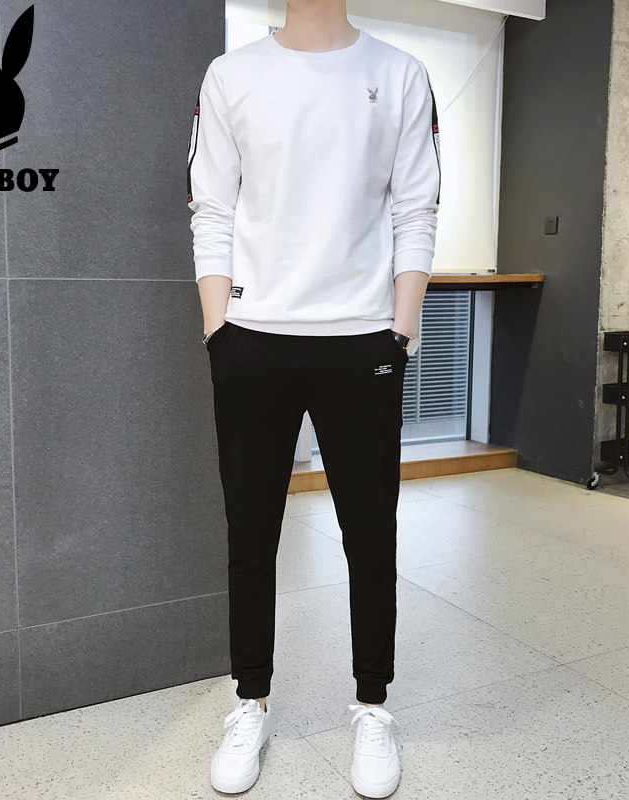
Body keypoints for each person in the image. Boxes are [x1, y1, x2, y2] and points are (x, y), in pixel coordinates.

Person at [186, 0, 440, 795]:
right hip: (251, 341)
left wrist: (399, 334)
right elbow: (212, 209)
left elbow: (416, 209)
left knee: (370, 536)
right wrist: (218, 333)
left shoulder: (400, 74)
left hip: (363, 343)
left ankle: (372, 706)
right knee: (250, 534)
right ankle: (250, 701)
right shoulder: (231, 76)